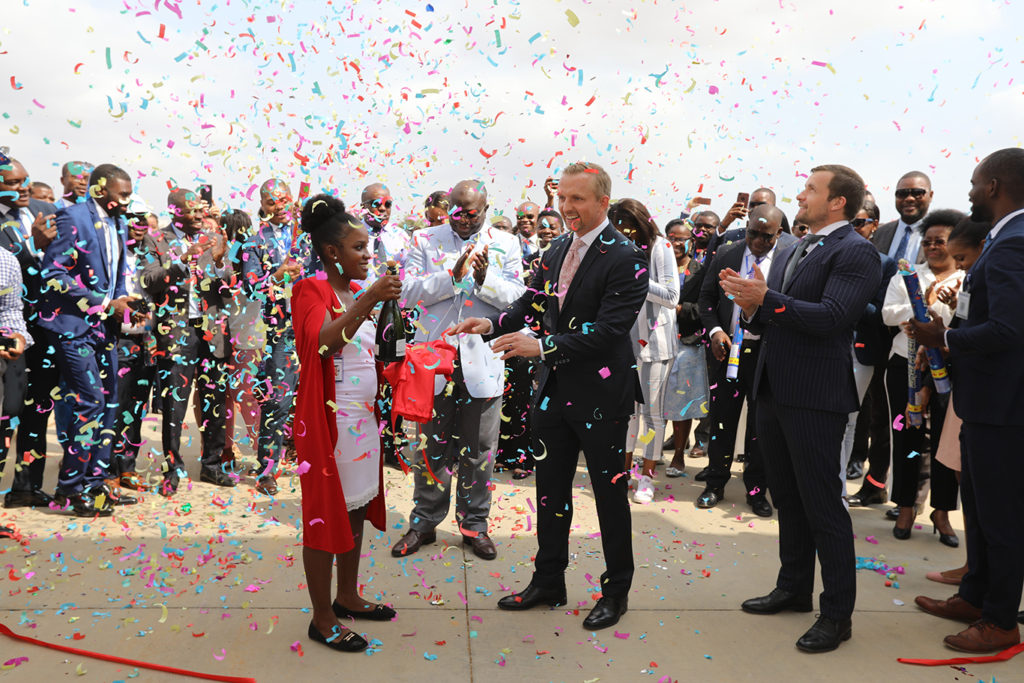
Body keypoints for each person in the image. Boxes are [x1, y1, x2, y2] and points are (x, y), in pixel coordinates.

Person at [451, 161, 649, 631]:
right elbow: (531, 303)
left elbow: (609, 330)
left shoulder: (627, 257)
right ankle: (548, 581)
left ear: (603, 201)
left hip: (602, 396)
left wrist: (543, 346)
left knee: (608, 498)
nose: (566, 208)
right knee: (550, 494)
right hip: (553, 394)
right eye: (562, 199)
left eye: (577, 199)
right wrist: (492, 323)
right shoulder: (556, 248)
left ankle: (615, 591)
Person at [721, 164, 881, 653]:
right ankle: (793, 588)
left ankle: (837, 614)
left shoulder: (857, 251)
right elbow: (781, 311)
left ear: (837, 202)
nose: (801, 194)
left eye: (811, 189)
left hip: (814, 396)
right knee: (787, 497)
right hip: (774, 387)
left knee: (822, 504)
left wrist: (766, 300)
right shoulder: (802, 244)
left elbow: (834, 316)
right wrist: (752, 306)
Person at [909, 148, 1024, 653]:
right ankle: (975, 595)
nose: (971, 192)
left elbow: (1010, 328)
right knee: (977, 510)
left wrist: (945, 340)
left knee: (1000, 518)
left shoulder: (1015, 243)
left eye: (976, 183)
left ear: (995, 186)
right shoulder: (1001, 240)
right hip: (984, 402)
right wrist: (949, 328)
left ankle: (1000, 620)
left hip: (1006, 407)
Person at [390, 179, 525, 561]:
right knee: (431, 445)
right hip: (434, 358)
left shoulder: (507, 242)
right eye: (457, 211)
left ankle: (474, 525)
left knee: (480, 448)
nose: (463, 219)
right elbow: (408, 293)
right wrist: (451, 276)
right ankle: (424, 522)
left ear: (486, 209)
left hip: (484, 357)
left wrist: (483, 281)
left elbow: (516, 300)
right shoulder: (424, 240)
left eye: (472, 212)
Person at [291, 195, 402, 653]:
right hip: (328, 423)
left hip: (361, 421)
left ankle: (348, 595)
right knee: (323, 516)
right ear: (333, 252)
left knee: (355, 505)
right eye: (359, 248)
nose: (367, 257)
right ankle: (322, 618)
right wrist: (372, 299)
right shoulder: (311, 288)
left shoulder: (352, 293)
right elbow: (320, 344)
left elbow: (361, 354)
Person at [38, 163, 146, 516]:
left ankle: (95, 484)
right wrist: (103, 303)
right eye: (123, 195)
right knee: (89, 404)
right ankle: (70, 488)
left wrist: (124, 306)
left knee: (110, 404)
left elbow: (113, 279)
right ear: (101, 190)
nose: (128, 201)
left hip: (105, 330)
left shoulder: (119, 222)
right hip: (73, 328)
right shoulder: (72, 217)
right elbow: (54, 274)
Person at [696, 205, 794, 516]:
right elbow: (705, 299)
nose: (757, 241)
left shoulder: (789, 258)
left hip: (767, 355)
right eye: (752, 233)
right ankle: (715, 484)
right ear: (746, 227)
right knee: (722, 419)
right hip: (727, 352)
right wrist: (714, 331)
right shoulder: (727, 253)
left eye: (766, 237)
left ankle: (755, 490)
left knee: (760, 426)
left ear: (778, 234)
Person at [139, 189, 235, 496]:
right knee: (174, 405)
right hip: (176, 332)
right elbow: (148, 281)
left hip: (212, 331)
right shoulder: (156, 240)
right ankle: (173, 470)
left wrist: (219, 264)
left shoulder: (215, 238)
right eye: (191, 210)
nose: (198, 215)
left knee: (215, 401)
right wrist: (182, 259)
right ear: (174, 211)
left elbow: (230, 283)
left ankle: (212, 466)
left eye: (200, 210)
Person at [880, 209, 964, 542]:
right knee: (906, 439)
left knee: (946, 444)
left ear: (954, 243)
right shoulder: (907, 275)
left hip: (949, 370)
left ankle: (941, 512)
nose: (932, 247)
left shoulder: (967, 279)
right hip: (905, 366)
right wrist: (920, 306)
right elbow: (888, 315)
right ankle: (905, 506)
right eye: (927, 241)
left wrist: (951, 306)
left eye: (939, 241)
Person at [241, 178, 313, 495]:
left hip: (314, 325)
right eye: (272, 201)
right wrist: (279, 275)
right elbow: (251, 287)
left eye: (284, 199)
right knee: (279, 402)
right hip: (281, 329)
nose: (279, 206)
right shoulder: (253, 243)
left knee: (319, 398)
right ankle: (267, 469)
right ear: (263, 205)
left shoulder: (307, 239)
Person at [607, 198, 678, 504]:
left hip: (655, 345)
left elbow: (672, 295)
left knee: (651, 415)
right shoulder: (614, 247)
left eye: (627, 228)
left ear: (640, 224)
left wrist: (637, 280)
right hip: (623, 343)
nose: (623, 234)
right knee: (625, 415)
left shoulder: (660, 247)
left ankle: (646, 476)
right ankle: (622, 473)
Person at [0, 156, 57, 509]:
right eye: (12, 182)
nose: (23, 188)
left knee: (38, 409)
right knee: (7, 416)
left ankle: (26, 486)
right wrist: (34, 247)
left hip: (42, 330)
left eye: (25, 180)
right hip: (9, 331)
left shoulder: (41, 208)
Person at [842, 199, 898, 492]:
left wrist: (848, 297)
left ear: (874, 225)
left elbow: (881, 314)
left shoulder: (886, 264)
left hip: (861, 351)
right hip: (828, 347)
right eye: (849, 222)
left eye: (859, 222)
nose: (853, 228)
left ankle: (836, 488)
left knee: (849, 420)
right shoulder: (835, 254)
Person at [357, 182, 412, 469]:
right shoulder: (353, 235)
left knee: (393, 382)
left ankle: (392, 445)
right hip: (360, 318)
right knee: (366, 381)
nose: (382, 209)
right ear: (362, 205)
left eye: (388, 204)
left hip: (392, 318)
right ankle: (365, 442)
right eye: (375, 204)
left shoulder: (401, 237)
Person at [111, 209, 157, 491]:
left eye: (144, 224)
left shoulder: (149, 258)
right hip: (118, 341)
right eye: (133, 222)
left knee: (137, 407)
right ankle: (108, 470)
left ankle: (127, 467)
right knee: (115, 408)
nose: (139, 228)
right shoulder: (111, 257)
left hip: (146, 341)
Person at [661, 219, 709, 476]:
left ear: (691, 240)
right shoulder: (655, 268)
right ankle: (652, 452)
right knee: (653, 403)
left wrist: (677, 308)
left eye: (682, 238)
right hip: (656, 343)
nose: (677, 243)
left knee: (682, 404)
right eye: (672, 237)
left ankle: (678, 457)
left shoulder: (700, 271)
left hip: (686, 346)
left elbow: (705, 309)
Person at [221, 209, 264, 464]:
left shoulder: (250, 259)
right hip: (229, 335)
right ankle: (228, 448)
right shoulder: (223, 259)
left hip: (246, 335)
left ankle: (263, 450)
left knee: (243, 392)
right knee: (229, 393)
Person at [0, 243, 32, 539]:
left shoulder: (6, 260)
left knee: (6, 422)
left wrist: (17, 335)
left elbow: (11, 309)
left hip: (3, 360)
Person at [872, 171, 934, 264]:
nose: (909, 198)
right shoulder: (879, 233)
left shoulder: (941, 235)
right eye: (902, 193)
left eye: (917, 193)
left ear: (930, 195)